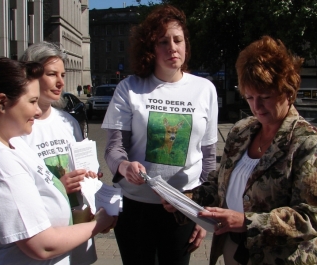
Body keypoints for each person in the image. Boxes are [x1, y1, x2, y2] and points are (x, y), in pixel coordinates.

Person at [163, 35, 317, 265]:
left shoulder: (306, 142)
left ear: (288, 92)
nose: (256, 106)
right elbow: (219, 183)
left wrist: (246, 221)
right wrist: (186, 199)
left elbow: (310, 217)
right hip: (232, 250)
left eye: (265, 97)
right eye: (250, 97)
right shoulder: (242, 131)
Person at [101, 4, 218, 265]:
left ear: (186, 44)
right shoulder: (130, 88)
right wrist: (124, 165)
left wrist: (202, 211)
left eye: (178, 40)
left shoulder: (205, 89)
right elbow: (113, 148)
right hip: (134, 206)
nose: (172, 48)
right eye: (163, 41)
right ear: (151, 48)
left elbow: (209, 158)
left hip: (182, 206)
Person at [0, 58, 116, 265]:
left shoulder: (11, 143)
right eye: (32, 102)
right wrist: (99, 222)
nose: (38, 111)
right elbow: (42, 245)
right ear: (2, 103)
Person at [20, 42, 101, 265]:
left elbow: (83, 165)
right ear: (32, 75)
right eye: (52, 74)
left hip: (77, 228)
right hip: (45, 237)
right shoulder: (19, 127)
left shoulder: (68, 122)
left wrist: (92, 178)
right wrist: (57, 187)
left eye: (63, 74)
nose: (60, 82)